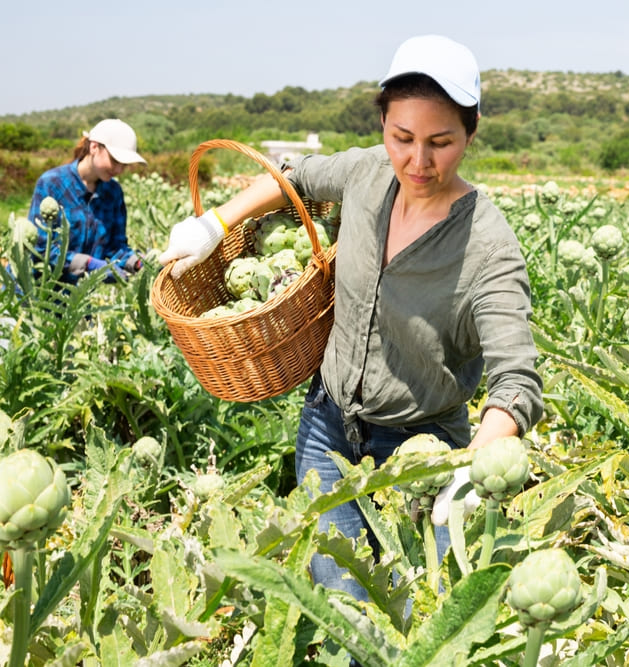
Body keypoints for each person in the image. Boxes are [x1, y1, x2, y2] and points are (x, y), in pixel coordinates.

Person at [158, 35, 544, 601]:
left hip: (423, 454)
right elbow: (292, 174)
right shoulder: (366, 174)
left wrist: (474, 467)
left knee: (420, 618)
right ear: (382, 121)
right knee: (343, 608)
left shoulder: (488, 247)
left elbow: (517, 381)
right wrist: (216, 223)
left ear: (472, 131)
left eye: (441, 142)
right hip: (326, 427)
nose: (418, 162)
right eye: (401, 137)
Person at [28, 118, 147, 283]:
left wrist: (139, 263)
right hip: (37, 293)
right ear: (94, 147)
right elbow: (40, 248)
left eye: (124, 165)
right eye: (115, 161)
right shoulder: (52, 184)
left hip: (78, 298)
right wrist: (88, 264)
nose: (119, 170)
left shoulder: (114, 193)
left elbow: (115, 248)